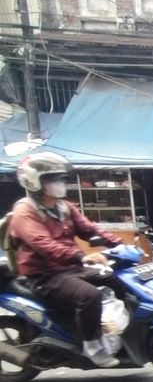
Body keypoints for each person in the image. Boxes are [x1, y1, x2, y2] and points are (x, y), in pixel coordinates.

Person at [8, 152, 123, 368]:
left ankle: (114, 329)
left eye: (61, 179)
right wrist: (81, 256)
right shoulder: (24, 211)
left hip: (70, 268)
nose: (60, 184)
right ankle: (92, 346)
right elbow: (43, 244)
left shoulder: (63, 206)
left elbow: (89, 228)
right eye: (52, 179)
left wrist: (118, 244)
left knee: (116, 278)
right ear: (35, 181)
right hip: (45, 275)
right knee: (88, 296)